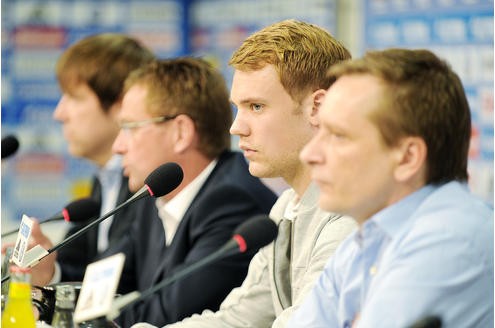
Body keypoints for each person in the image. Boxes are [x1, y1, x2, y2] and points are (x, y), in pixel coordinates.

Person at [135, 19, 358, 328]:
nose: (236, 127)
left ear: (317, 108)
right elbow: (238, 319)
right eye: (238, 108)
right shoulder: (285, 208)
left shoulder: (353, 213)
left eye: (256, 107)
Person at [287, 48, 494, 327]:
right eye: (320, 131)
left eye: (338, 136)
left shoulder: (451, 238)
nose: (310, 154)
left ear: (408, 157)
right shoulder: (364, 238)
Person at [110, 57, 278, 327]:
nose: (118, 146)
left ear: (181, 132)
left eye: (130, 128)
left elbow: (166, 317)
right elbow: (103, 286)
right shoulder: (151, 196)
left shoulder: (231, 203)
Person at [4, 34, 156, 288]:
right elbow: (81, 265)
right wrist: (49, 271)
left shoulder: (150, 184)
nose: (59, 113)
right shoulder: (105, 178)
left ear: (122, 103)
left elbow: (127, 284)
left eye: (74, 98)